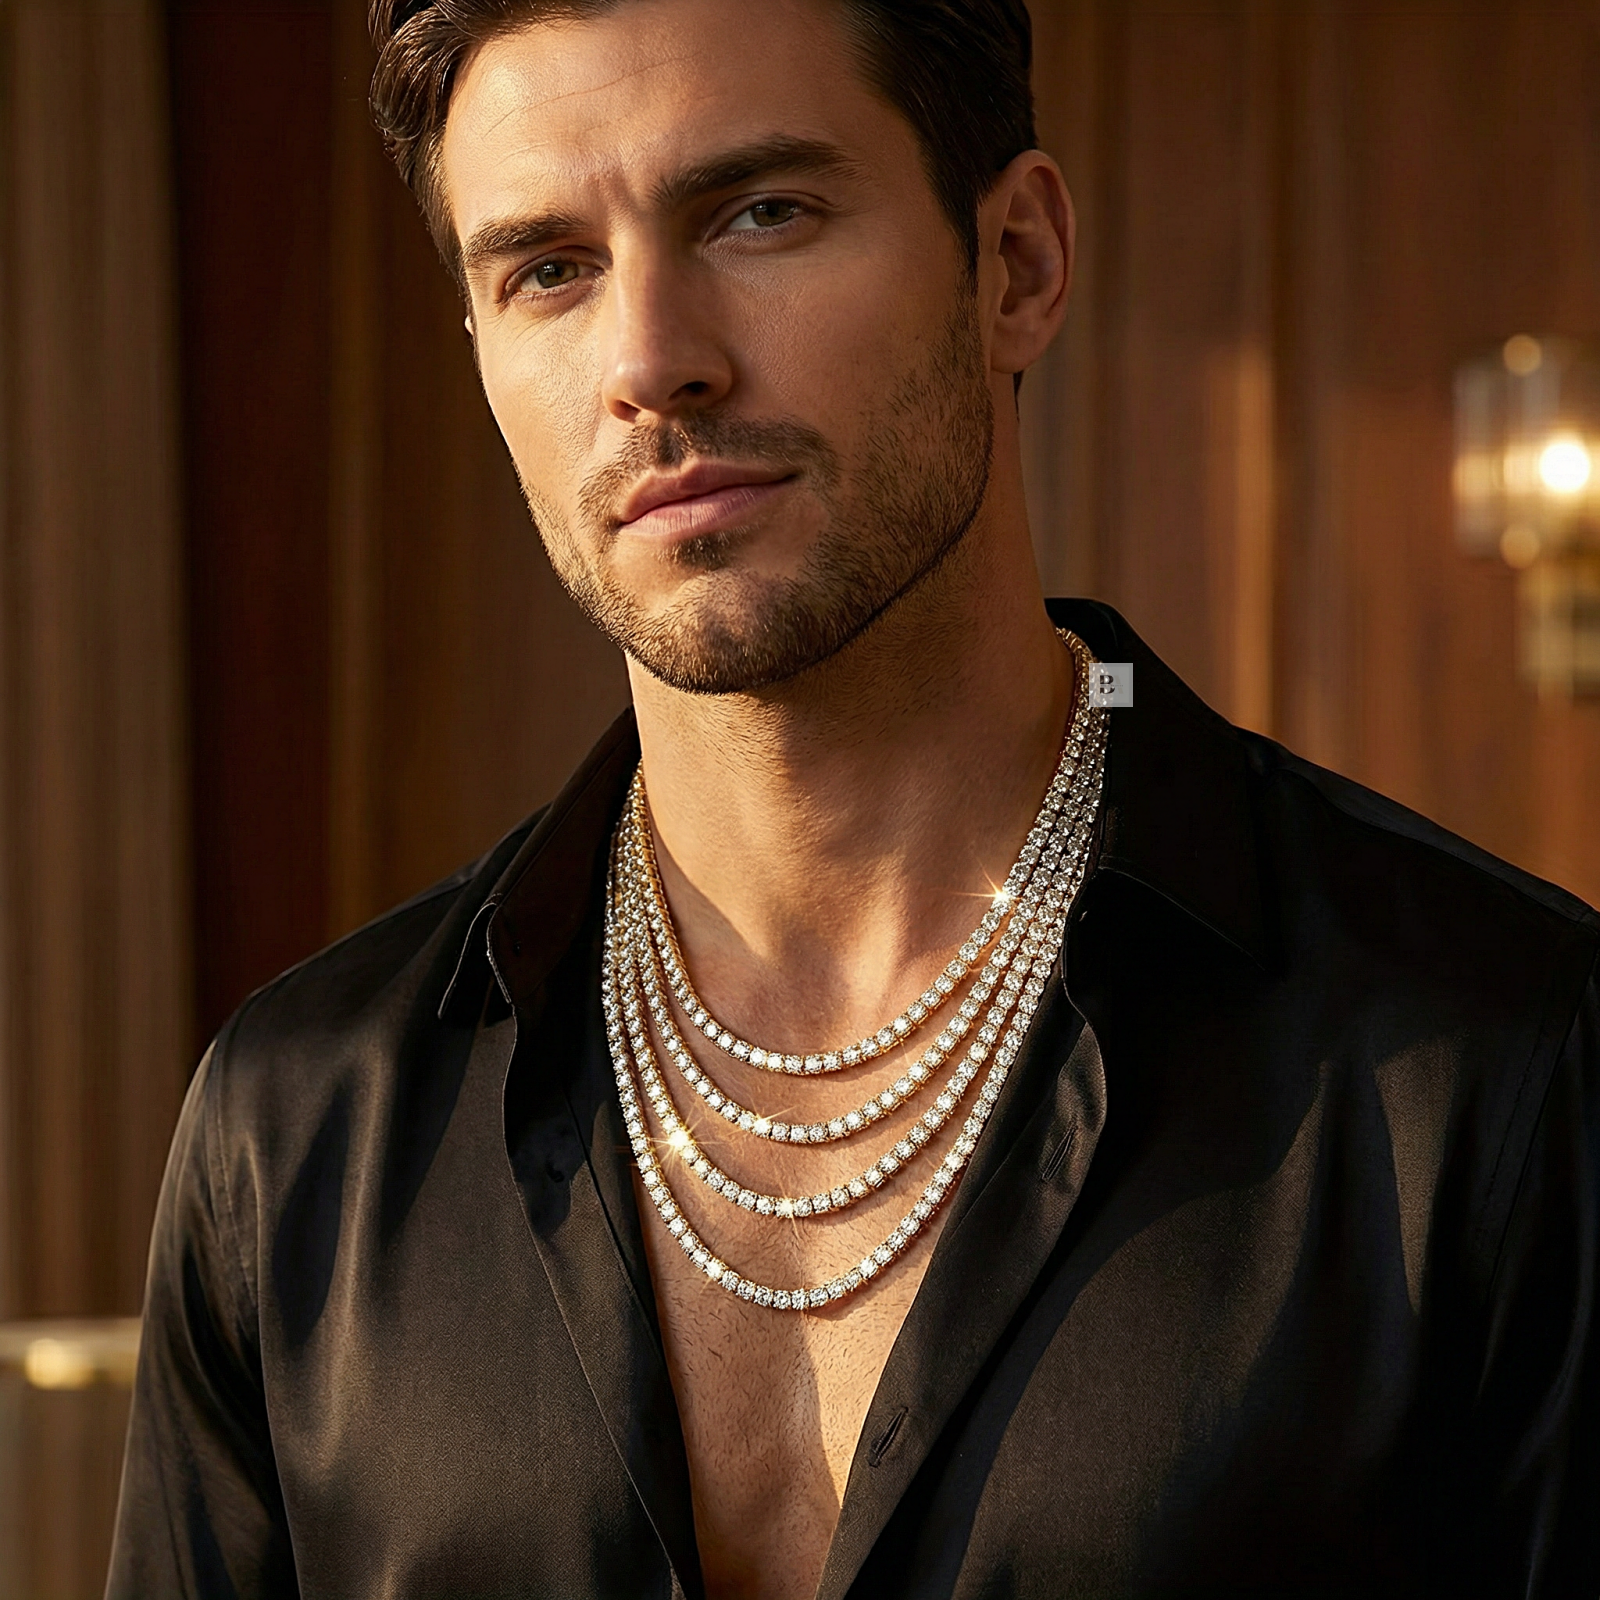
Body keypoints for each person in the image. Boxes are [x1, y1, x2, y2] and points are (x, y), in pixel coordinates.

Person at [109, 0, 1599, 1595]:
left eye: (761, 213)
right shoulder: (296, 1127)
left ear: (1015, 262)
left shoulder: (1506, 1064)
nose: (649, 361)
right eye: (547, 268)